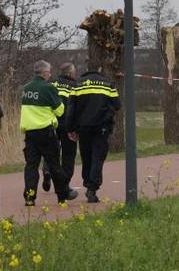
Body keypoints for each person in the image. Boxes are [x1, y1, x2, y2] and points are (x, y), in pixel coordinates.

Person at [21, 60, 77, 205]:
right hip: (45, 132)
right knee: (54, 164)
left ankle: (29, 198)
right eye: (49, 72)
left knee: (31, 166)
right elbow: (60, 110)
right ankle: (63, 195)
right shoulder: (48, 88)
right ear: (44, 73)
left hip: (29, 133)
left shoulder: (26, 88)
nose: (50, 74)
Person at [72, 65, 120, 203]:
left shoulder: (78, 84)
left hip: (83, 127)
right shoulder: (107, 83)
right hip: (102, 127)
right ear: (99, 69)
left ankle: (87, 182)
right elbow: (117, 104)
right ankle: (92, 189)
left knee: (86, 157)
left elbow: (71, 107)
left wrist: (71, 128)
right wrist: (107, 112)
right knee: (98, 158)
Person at [43, 62, 79, 194]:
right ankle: (64, 185)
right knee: (68, 156)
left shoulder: (52, 84)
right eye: (74, 71)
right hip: (68, 126)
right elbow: (77, 107)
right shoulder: (75, 86)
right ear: (70, 73)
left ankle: (47, 170)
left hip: (51, 124)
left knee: (51, 151)